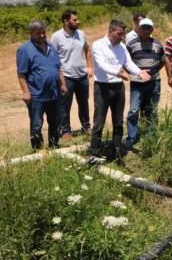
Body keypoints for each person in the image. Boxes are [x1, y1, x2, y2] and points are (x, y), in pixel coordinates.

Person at [90, 19, 150, 160]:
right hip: (102, 87)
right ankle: (93, 154)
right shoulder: (98, 45)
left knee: (118, 122)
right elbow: (101, 65)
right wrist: (118, 72)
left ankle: (117, 153)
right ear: (111, 31)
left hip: (118, 87)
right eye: (119, 34)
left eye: (123, 34)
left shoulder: (122, 46)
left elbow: (128, 63)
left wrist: (139, 72)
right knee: (99, 122)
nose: (121, 37)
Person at [16, 20, 68, 149]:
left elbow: (58, 67)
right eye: (38, 33)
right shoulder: (24, 49)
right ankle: (38, 150)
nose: (42, 35)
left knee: (55, 122)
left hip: (54, 93)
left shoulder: (51, 47)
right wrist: (26, 92)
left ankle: (54, 146)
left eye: (44, 32)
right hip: (36, 95)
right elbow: (21, 74)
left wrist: (63, 84)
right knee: (36, 124)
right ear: (31, 33)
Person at [51, 9, 93, 140]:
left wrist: (90, 67)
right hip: (66, 77)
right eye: (74, 20)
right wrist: (59, 76)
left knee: (84, 103)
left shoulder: (81, 34)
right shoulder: (56, 37)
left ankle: (86, 127)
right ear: (65, 21)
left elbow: (87, 50)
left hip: (82, 76)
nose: (78, 22)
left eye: (77, 19)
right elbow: (53, 58)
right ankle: (65, 130)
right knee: (64, 105)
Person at [125, 18, 164, 150]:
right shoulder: (131, 44)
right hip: (137, 83)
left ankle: (151, 136)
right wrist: (134, 73)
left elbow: (163, 61)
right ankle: (131, 137)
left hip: (154, 82)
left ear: (152, 30)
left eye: (149, 28)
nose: (146, 30)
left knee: (152, 110)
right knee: (134, 110)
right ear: (139, 29)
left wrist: (153, 72)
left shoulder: (158, 44)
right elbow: (125, 62)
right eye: (144, 28)